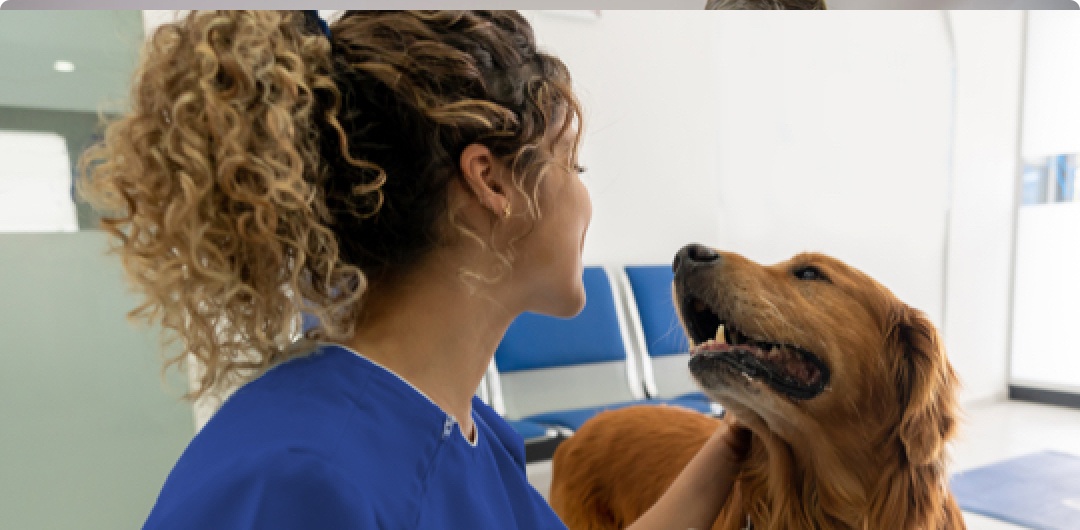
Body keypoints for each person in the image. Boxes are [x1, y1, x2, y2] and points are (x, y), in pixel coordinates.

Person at [79, 10, 748, 529]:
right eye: (573, 166)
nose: (584, 197)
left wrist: (735, 439)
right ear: (492, 181)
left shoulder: (472, 437)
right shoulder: (297, 481)